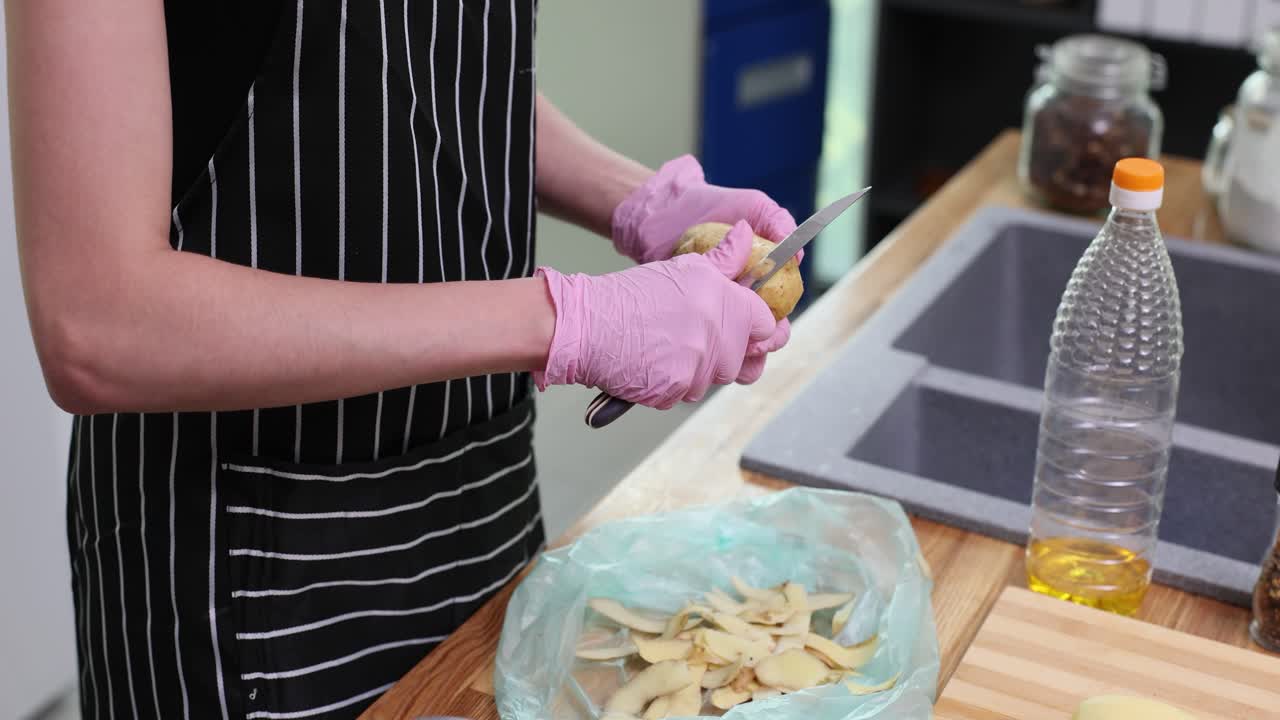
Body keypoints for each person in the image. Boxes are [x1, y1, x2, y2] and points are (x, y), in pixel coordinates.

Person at [8, 2, 799, 718]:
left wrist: (640, 200)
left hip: (484, 492)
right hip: (247, 569)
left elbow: (422, 63)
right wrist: (567, 319)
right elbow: (96, 322)